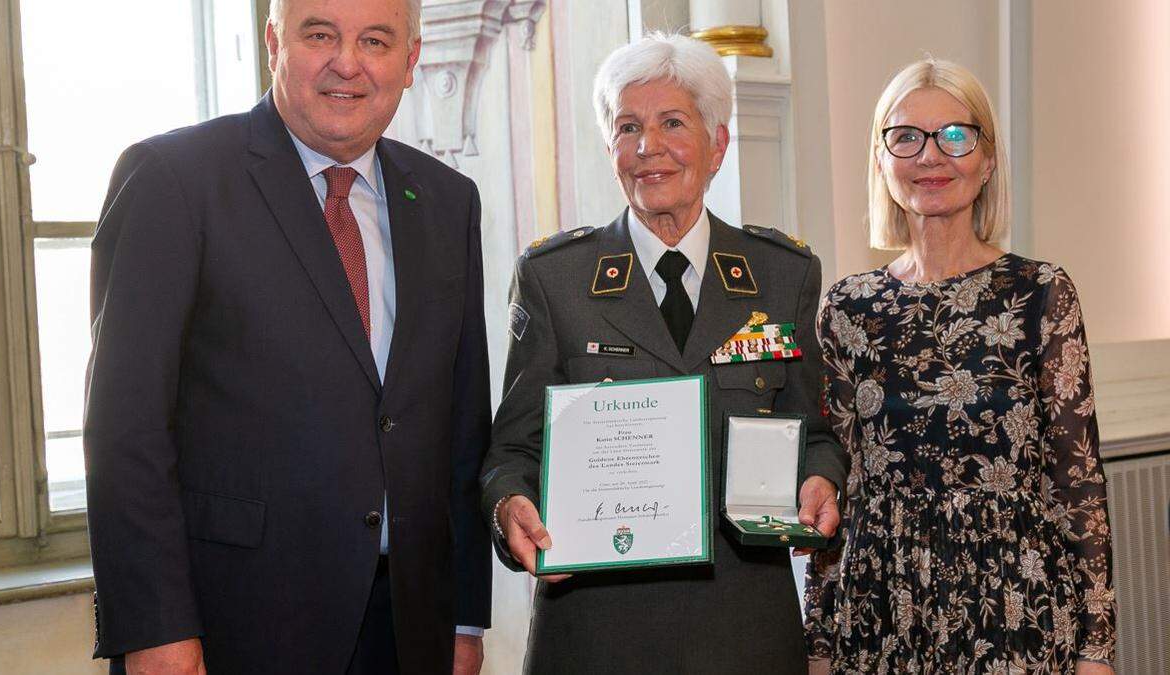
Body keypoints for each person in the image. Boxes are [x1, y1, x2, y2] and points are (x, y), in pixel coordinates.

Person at [84, 0, 492, 672]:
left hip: (412, 626)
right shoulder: (175, 179)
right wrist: (153, 628)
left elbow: (461, 425)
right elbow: (124, 427)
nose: (347, 63)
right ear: (275, 41)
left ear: (411, 61)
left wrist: (467, 616)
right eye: (320, 34)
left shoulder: (449, 201)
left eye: (377, 41)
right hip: (235, 624)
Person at [479, 33, 846, 673]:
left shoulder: (782, 274)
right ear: (609, 147)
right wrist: (510, 507)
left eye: (672, 123)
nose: (648, 147)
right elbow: (511, 451)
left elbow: (815, 431)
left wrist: (822, 479)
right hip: (596, 634)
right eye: (628, 126)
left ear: (717, 146)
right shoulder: (555, 278)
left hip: (745, 631)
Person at [803, 58, 1116, 673]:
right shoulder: (847, 307)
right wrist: (818, 639)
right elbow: (836, 485)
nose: (930, 157)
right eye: (906, 137)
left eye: (955, 135)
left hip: (1016, 606)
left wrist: (1096, 649)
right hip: (881, 611)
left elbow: (1079, 484)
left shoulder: (1041, 293)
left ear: (988, 158)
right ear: (881, 159)